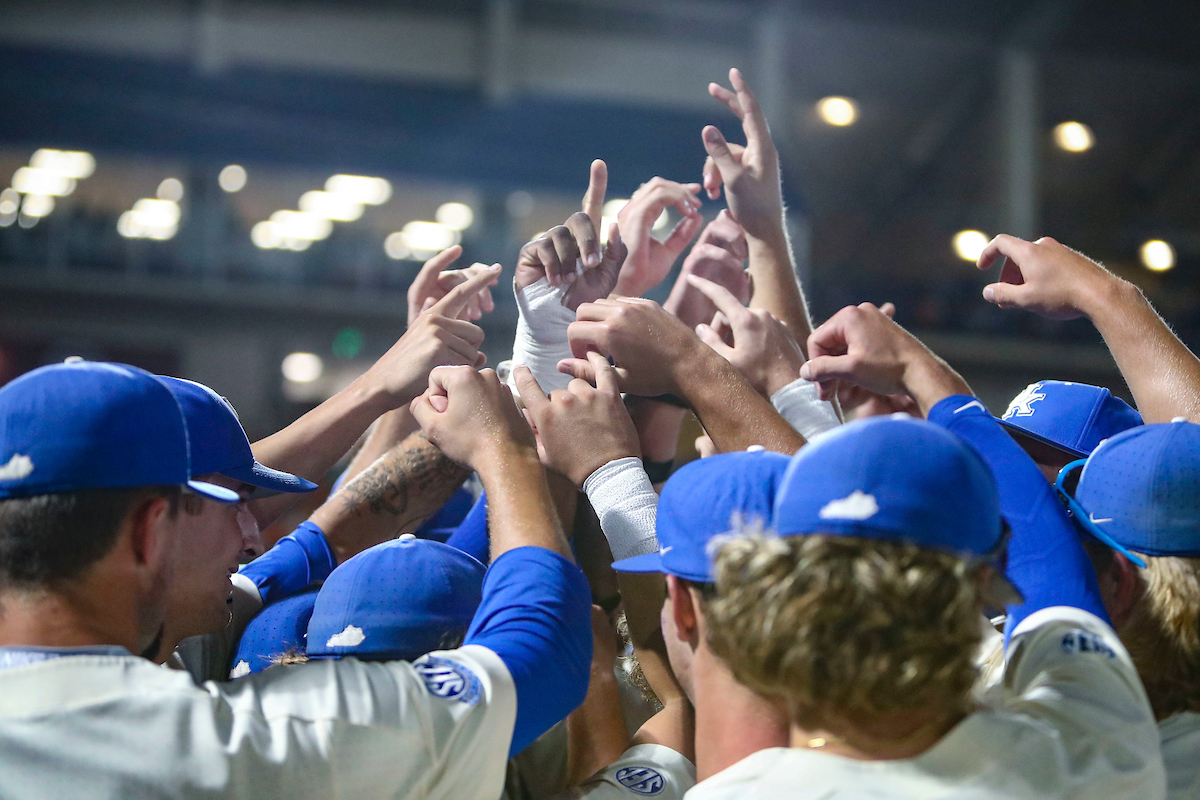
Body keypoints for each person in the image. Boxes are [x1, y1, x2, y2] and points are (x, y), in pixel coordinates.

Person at [0, 359, 591, 799]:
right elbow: (537, 658)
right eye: (231, 504)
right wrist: (503, 450)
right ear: (148, 533)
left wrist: (521, 371)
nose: (253, 537)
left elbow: (317, 545)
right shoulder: (233, 746)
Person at [684, 413, 1164, 798]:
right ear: (990, 576)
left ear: (776, 587)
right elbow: (1052, 577)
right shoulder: (1084, 766)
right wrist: (947, 395)